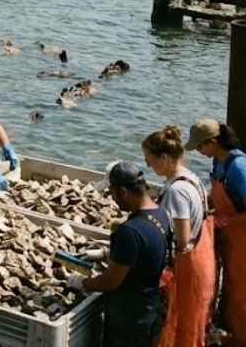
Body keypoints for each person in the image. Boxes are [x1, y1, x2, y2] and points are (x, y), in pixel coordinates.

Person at [67, 161, 171, 347]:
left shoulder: (129, 231)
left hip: (129, 317)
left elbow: (110, 282)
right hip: (150, 308)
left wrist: (82, 282)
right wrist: (109, 255)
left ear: (123, 191)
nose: (110, 197)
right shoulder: (161, 214)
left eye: (112, 191)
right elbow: (145, 256)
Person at [141, 125, 215, 347]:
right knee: (195, 323)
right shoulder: (192, 179)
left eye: (149, 159)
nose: (147, 165)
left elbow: (181, 240)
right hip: (204, 258)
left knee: (180, 324)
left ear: (163, 158)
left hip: (188, 267)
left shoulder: (176, 191)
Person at [187, 119, 245, 347]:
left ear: (212, 142)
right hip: (230, 237)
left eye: (200, 146)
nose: (199, 151)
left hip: (242, 239)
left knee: (241, 292)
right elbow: (220, 196)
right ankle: (229, 333)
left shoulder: (239, 167)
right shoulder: (218, 163)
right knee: (229, 287)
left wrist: (224, 220)